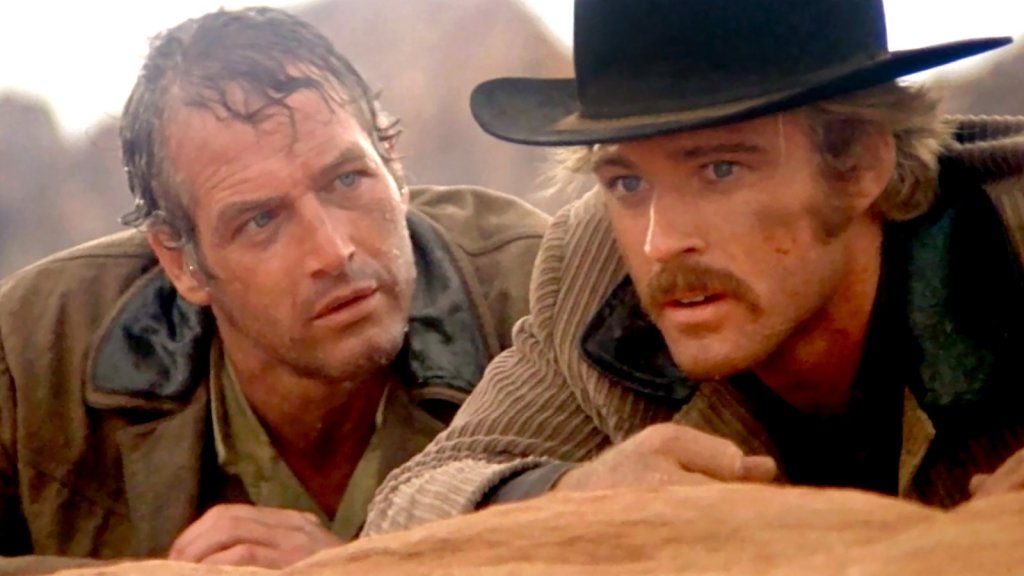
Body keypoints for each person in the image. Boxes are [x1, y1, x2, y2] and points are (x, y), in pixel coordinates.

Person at [363, 0, 1024, 536]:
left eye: (719, 170)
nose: (659, 242)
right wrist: (567, 495)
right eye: (627, 183)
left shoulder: (1010, 235)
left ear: (858, 164)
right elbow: (406, 507)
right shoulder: (594, 268)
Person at [0, 6, 548, 572]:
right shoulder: (35, 352)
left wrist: (364, 569)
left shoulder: (539, 300)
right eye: (261, 220)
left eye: (347, 180)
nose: (332, 251)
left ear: (394, 166)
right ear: (182, 262)